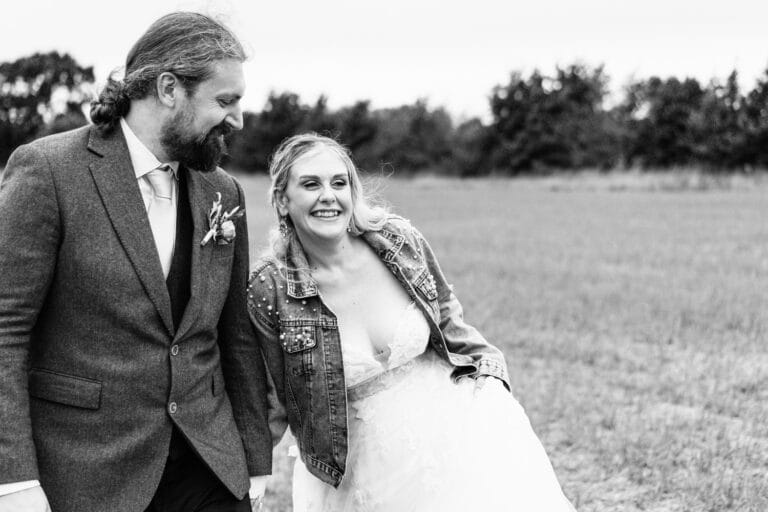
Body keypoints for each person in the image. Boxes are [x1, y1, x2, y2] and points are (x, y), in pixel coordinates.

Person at [0, 12, 272, 512]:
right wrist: (13, 479)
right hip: (87, 471)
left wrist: (255, 460)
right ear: (169, 88)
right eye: (225, 101)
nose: (237, 119)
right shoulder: (49, 171)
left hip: (208, 466)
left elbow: (234, 335)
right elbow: (5, 328)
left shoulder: (222, 190)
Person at [247, 133, 576, 511]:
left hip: (453, 435)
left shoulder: (399, 240)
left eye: (340, 183)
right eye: (310, 184)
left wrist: (490, 375)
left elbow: (449, 317)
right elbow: (271, 399)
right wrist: (252, 478)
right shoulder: (269, 288)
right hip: (358, 474)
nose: (328, 196)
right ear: (282, 199)